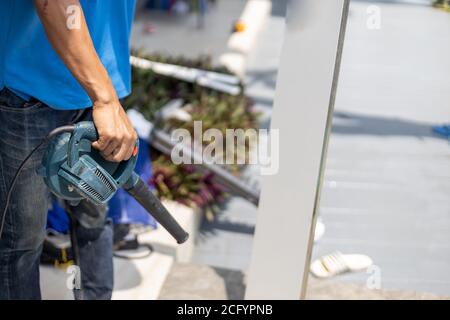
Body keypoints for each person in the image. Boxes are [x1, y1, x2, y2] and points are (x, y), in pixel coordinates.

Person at [0, 0, 138, 299]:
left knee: (94, 217)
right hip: (33, 89)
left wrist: (106, 95)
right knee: (21, 241)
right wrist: (105, 98)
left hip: (103, 83)